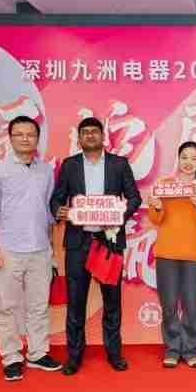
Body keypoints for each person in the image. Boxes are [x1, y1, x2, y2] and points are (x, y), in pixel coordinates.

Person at [50, 117, 141, 375]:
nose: (90, 135)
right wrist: (59, 210)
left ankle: (114, 354)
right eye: (85, 132)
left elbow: (134, 197)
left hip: (108, 242)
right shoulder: (69, 165)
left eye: (94, 131)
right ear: (79, 139)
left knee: (112, 303)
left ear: (103, 136)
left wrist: (117, 216)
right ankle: (74, 357)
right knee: (75, 304)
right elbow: (56, 199)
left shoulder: (119, 164)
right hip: (78, 244)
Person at [0, 115, 61, 381]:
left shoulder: (46, 170)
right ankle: (11, 356)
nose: (25, 139)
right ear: (11, 138)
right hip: (8, 249)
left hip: (40, 249)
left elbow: (48, 212)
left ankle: (38, 353)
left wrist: (51, 250)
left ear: (38, 139)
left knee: (39, 306)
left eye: (30, 134)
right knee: (8, 307)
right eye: (19, 134)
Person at [146, 142, 196, 368]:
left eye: (194, 158)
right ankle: (172, 348)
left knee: (191, 304)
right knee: (169, 304)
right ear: (178, 159)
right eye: (184, 157)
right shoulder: (164, 185)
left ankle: (191, 349)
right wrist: (156, 206)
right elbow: (156, 219)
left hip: (193, 254)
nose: (188, 162)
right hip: (166, 253)